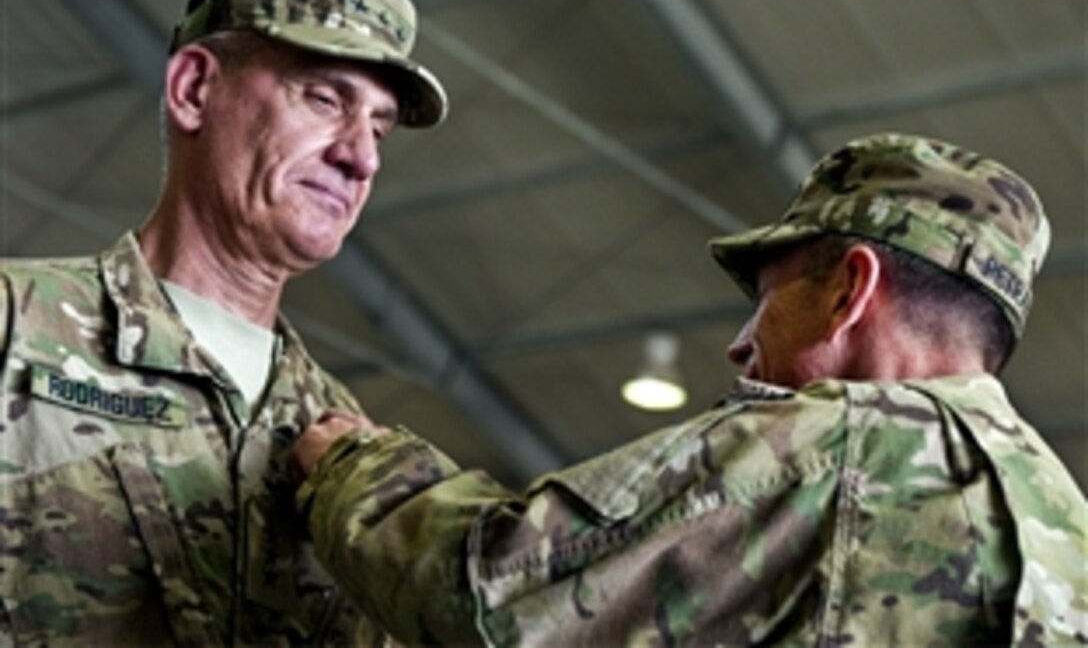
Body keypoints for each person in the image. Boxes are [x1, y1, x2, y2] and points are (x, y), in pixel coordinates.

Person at [291, 133, 1087, 646]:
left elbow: (488, 596)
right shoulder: (1066, 525)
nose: (741, 343)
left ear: (850, 288)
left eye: (769, 298)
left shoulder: (837, 445)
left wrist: (354, 465)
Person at [0, 0, 446, 644]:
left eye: (380, 129)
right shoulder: (18, 329)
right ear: (194, 89)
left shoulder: (344, 443)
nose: (360, 155)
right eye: (325, 98)